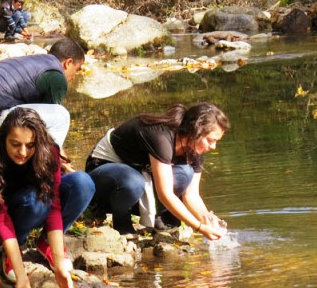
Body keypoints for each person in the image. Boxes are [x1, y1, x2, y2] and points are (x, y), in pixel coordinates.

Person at [0, 107, 94, 288]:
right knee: (34, 202)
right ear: (4, 139)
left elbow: (54, 207)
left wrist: (60, 264)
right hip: (6, 210)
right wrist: (22, 278)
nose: (23, 152)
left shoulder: (48, 149)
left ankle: (46, 243)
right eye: (15, 144)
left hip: (37, 200)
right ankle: (14, 249)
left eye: (30, 145)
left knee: (83, 183)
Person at [85, 102, 230, 239]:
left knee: (185, 174)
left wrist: (207, 219)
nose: (213, 147)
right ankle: (121, 223)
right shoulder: (160, 136)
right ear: (195, 131)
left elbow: (191, 195)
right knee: (133, 181)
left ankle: (158, 217)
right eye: (211, 140)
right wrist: (199, 228)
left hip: (138, 175)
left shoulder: (194, 148)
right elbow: (165, 194)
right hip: (103, 173)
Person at [0, 38, 84, 157]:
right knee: (62, 115)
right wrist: (64, 159)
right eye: (77, 70)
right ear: (68, 63)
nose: (73, 77)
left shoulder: (36, 61)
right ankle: (53, 162)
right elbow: (50, 126)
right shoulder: (56, 76)